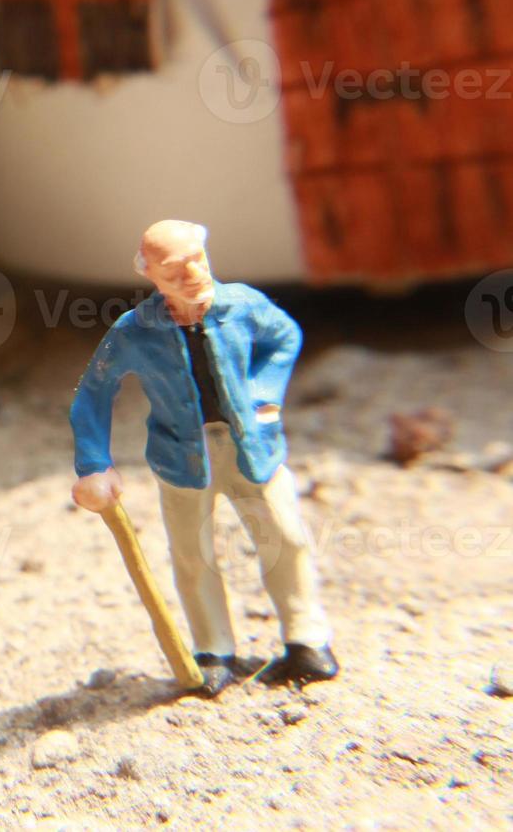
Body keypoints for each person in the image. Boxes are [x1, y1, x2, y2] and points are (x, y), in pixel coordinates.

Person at [70, 220, 338, 696]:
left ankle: (306, 640)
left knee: (286, 536)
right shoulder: (135, 332)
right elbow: (94, 391)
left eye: (198, 257)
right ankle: (214, 649)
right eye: (174, 268)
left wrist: (264, 397)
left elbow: (285, 338)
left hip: (253, 448)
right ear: (149, 272)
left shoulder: (242, 304)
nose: (192, 271)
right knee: (193, 554)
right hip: (181, 458)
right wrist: (94, 463)